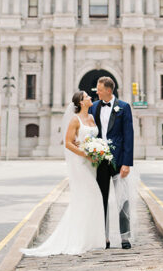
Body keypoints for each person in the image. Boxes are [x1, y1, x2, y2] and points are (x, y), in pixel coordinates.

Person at [21, 90, 106, 255]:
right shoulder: (75, 120)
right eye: (87, 96)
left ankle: (91, 239)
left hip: (92, 165)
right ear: (81, 102)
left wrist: (98, 151)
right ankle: (78, 240)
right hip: (82, 164)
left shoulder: (92, 118)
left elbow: (94, 139)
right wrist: (87, 154)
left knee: (91, 199)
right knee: (89, 197)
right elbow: (68, 143)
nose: (91, 97)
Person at [90, 75, 134, 249]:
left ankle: (124, 237)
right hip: (99, 161)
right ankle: (104, 237)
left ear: (109, 90)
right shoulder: (93, 107)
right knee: (101, 200)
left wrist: (127, 163)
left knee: (123, 200)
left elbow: (128, 136)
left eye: (99, 89)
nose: (97, 92)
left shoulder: (123, 107)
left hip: (118, 161)